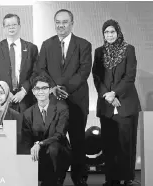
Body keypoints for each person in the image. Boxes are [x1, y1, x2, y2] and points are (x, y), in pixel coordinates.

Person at [33, 9, 92, 186]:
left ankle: (79, 177)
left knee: (77, 140)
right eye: (58, 22)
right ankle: (55, 177)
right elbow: (40, 69)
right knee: (54, 140)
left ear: (72, 23)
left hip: (76, 100)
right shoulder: (46, 44)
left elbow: (84, 71)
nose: (61, 25)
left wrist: (64, 88)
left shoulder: (84, 44)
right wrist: (53, 88)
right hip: (54, 100)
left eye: (65, 22)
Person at [92, 19, 141, 186]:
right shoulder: (99, 52)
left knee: (126, 143)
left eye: (112, 32)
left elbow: (130, 76)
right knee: (109, 143)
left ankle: (128, 178)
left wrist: (115, 93)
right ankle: (111, 178)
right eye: (106, 32)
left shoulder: (129, 50)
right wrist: (107, 94)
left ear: (118, 32)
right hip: (106, 105)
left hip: (125, 103)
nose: (109, 35)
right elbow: (96, 77)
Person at [22, 75, 72, 186]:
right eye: (37, 88)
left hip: (58, 151)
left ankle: (56, 180)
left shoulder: (62, 108)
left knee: (53, 147)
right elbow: (26, 139)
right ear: (33, 91)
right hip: (39, 154)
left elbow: (60, 135)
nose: (41, 91)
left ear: (50, 90)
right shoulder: (28, 114)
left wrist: (41, 143)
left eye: (44, 88)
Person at [0, 14, 38, 112]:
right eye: (8, 25)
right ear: (3, 28)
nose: (11, 27)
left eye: (14, 24)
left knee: (26, 126)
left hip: (26, 98)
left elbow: (36, 72)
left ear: (19, 26)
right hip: (4, 99)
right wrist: (5, 91)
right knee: (8, 126)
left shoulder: (31, 48)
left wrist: (24, 91)